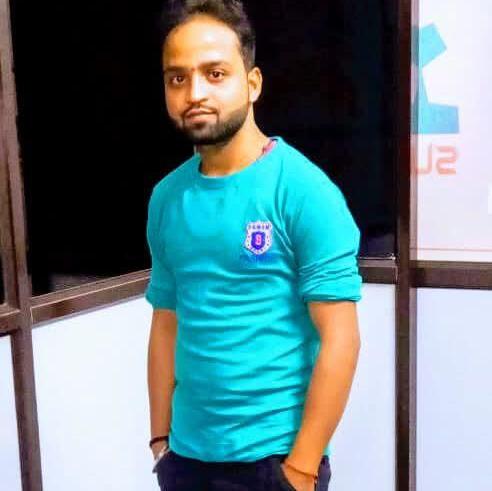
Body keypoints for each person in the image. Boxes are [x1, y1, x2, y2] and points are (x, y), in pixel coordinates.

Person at [145, 1, 362, 490]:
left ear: (253, 82)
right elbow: (166, 322)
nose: (194, 93)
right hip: (186, 460)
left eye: (215, 73)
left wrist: (302, 468)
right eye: (177, 78)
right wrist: (160, 439)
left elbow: (341, 338)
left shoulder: (304, 191)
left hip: (274, 462)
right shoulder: (167, 198)